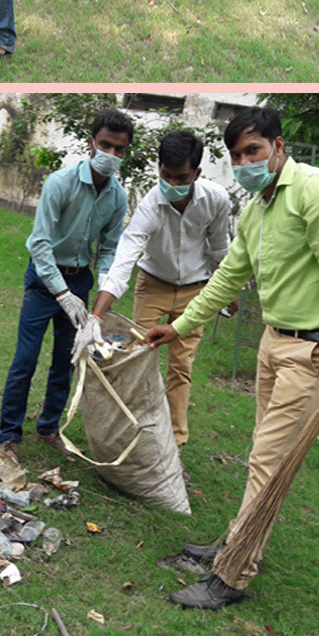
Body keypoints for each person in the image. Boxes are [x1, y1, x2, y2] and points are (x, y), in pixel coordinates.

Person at [146, 106, 319, 609]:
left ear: (278, 148)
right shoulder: (258, 208)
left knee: (268, 462)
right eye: (237, 154)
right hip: (274, 343)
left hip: (310, 352)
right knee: (261, 458)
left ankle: (233, 574)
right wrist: (179, 325)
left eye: (254, 150)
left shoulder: (314, 191)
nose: (245, 161)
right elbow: (227, 277)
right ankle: (234, 543)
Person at [0, 108, 131, 461]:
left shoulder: (118, 197)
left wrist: (102, 297)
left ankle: (48, 427)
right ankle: (9, 435)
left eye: (119, 149)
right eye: (105, 145)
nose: (111, 155)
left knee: (66, 360)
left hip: (81, 280)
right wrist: (61, 294)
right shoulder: (61, 183)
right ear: (91, 144)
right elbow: (40, 244)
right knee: (25, 359)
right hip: (44, 282)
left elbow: (109, 250)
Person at [88, 128, 232, 447]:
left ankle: (175, 444)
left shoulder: (216, 200)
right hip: (153, 284)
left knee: (181, 368)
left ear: (196, 173)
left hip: (197, 290)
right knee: (138, 359)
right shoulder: (151, 206)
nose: (172, 185)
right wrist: (96, 315)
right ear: (159, 169)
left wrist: (229, 289)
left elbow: (220, 246)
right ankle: (132, 433)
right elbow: (125, 258)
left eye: (181, 178)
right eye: (166, 176)